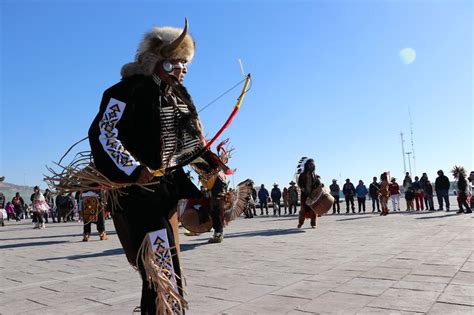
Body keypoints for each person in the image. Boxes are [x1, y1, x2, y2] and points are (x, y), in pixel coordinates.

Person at [88, 19, 233, 314]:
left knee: (167, 266)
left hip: (165, 193)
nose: (181, 70)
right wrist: (133, 169)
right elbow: (104, 133)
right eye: (175, 63)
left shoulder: (179, 99)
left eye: (185, 65)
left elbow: (192, 144)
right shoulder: (126, 91)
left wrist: (213, 172)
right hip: (136, 194)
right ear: (158, 61)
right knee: (159, 267)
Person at [297, 159, 320, 228]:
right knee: (303, 209)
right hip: (304, 194)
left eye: (312, 164)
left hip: (312, 194)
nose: (311, 166)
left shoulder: (314, 175)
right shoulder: (302, 175)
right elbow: (299, 183)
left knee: (313, 209)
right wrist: (303, 188)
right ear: (307, 165)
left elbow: (317, 183)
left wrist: (319, 184)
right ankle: (301, 222)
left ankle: (313, 223)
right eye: (310, 164)